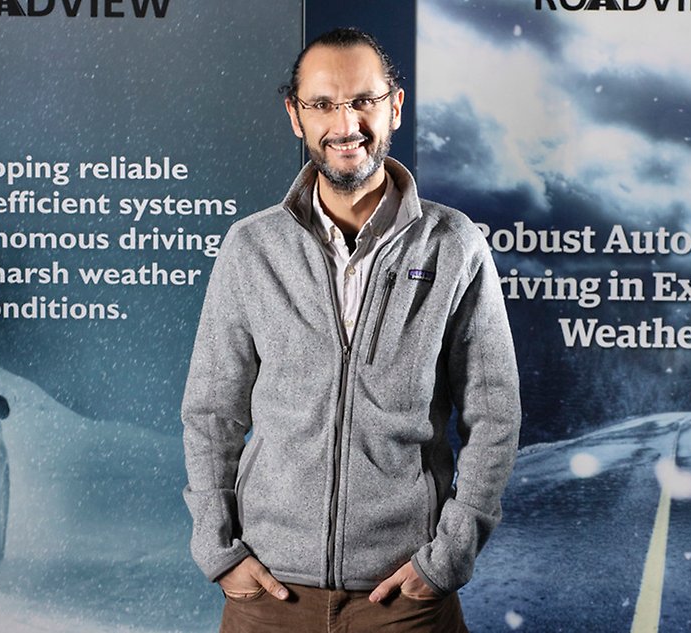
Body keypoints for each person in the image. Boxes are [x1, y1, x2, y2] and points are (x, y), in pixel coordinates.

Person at [181, 27, 521, 633]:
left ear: (394, 106)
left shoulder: (454, 245)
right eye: (323, 104)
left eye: (364, 100)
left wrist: (446, 560)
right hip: (269, 600)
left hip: (405, 602)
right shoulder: (252, 248)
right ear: (296, 115)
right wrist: (217, 548)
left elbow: (494, 414)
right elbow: (213, 411)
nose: (347, 123)